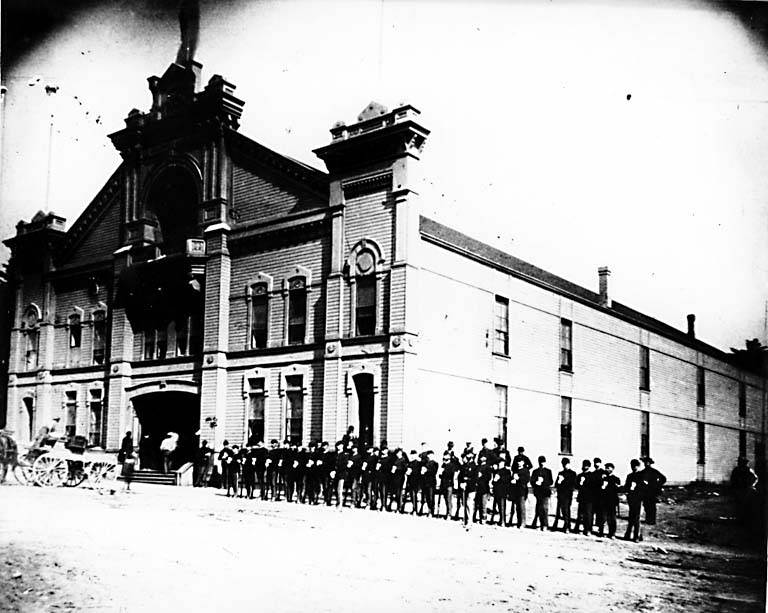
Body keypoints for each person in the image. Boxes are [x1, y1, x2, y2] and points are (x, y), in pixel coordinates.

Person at [730, 456, 759, 526]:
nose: (740, 463)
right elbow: (733, 479)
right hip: (738, 489)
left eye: (742, 462)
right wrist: (734, 488)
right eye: (739, 462)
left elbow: (755, 478)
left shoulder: (748, 470)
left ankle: (746, 520)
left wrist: (751, 486)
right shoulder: (736, 470)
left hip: (745, 490)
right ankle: (739, 519)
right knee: (738, 504)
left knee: (745, 505)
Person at [551, 457, 576, 532]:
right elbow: (556, 484)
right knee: (558, 511)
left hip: (568, 495)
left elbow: (573, 485)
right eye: (563, 464)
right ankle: (556, 525)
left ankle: (567, 526)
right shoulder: (560, 473)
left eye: (566, 464)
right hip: (560, 494)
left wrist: (564, 482)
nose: (565, 466)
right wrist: (559, 481)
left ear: (569, 464)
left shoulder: (573, 473)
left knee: (566, 511)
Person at [623, 459, 646, 542]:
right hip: (631, 499)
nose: (634, 467)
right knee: (631, 517)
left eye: (635, 466)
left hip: (638, 499)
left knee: (636, 518)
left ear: (638, 466)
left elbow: (644, 488)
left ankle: (636, 536)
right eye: (632, 466)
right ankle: (628, 534)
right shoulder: (629, 476)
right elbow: (626, 487)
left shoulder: (641, 475)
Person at [639, 457, 666, 525]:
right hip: (645, 492)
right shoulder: (642, 472)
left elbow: (663, 478)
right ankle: (648, 519)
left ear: (650, 463)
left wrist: (657, 485)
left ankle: (652, 520)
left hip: (652, 492)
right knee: (646, 506)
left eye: (648, 462)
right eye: (645, 462)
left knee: (652, 506)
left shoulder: (654, 471)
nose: (646, 464)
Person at [529, 456, 553, 530]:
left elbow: (551, 482)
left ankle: (545, 525)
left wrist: (543, 482)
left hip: (545, 492)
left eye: (543, 462)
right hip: (538, 492)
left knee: (545, 508)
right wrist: (536, 482)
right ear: (538, 462)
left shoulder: (548, 471)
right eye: (540, 462)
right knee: (539, 508)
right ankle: (538, 523)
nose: (542, 463)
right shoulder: (535, 471)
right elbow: (531, 481)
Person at [599, 463, 621, 538]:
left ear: (612, 469)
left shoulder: (616, 479)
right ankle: (601, 532)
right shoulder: (603, 478)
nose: (607, 469)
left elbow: (618, 489)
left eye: (608, 468)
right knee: (603, 517)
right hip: (604, 501)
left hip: (612, 501)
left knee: (612, 518)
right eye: (606, 468)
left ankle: (612, 533)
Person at [573, 459, 593, 535]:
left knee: (588, 514)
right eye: (584, 465)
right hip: (581, 497)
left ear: (589, 466)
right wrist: (580, 483)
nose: (585, 467)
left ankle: (588, 530)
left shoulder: (591, 475)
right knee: (580, 514)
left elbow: (593, 486)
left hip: (589, 498)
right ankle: (578, 528)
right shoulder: (580, 475)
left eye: (587, 465)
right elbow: (576, 485)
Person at [456, 452, 477, 527]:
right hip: (464, 488)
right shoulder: (464, 466)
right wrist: (461, 483)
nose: (468, 458)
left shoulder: (475, 466)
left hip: (471, 488)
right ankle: (466, 520)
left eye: (470, 456)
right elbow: (461, 476)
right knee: (464, 504)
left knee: (469, 504)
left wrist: (467, 482)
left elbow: (475, 479)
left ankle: (470, 521)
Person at [509, 457, 530, 528]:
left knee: (522, 507)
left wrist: (518, 479)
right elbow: (512, 479)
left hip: (522, 491)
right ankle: (518, 522)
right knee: (517, 507)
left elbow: (526, 480)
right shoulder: (515, 471)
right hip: (515, 491)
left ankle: (523, 522)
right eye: (518, 461)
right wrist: (512, 481)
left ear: (523, 463)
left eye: (520, 461)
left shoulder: (526, 470)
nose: (519, 463)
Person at [490, 458, 512, 526]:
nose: (500, 464)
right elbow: (494, 482)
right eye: (499, 463)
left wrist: (500, 478)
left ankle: (503, 521)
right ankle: (499, 520)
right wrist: (494, 480)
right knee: (498, 507)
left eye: (501, 463)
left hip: (503, 491)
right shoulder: (496, 471)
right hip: (497, 491)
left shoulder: (507, 471)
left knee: (502, 506)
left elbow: (508, 480)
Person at [473, 455, 493, 524]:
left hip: (484, 487)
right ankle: (478, 517)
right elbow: (474, 475)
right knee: (477, 503)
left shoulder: (488, 467)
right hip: (477, 488)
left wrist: (482, 475)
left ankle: (484, 518)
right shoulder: (477, 467)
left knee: (483, 504)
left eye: (484, 457)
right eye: (481, 457)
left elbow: (489, 477)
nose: (482, 458)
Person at [590, 457, 606, 532]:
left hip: (601, 495)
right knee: (592, 511)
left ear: (600, 463)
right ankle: (591, 526)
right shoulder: (592, 473)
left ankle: (600, 528)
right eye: (595, 463)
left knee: (600, 512)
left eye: (597, 462)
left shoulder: (603, 472)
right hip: (593, 495)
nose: (596, 464)